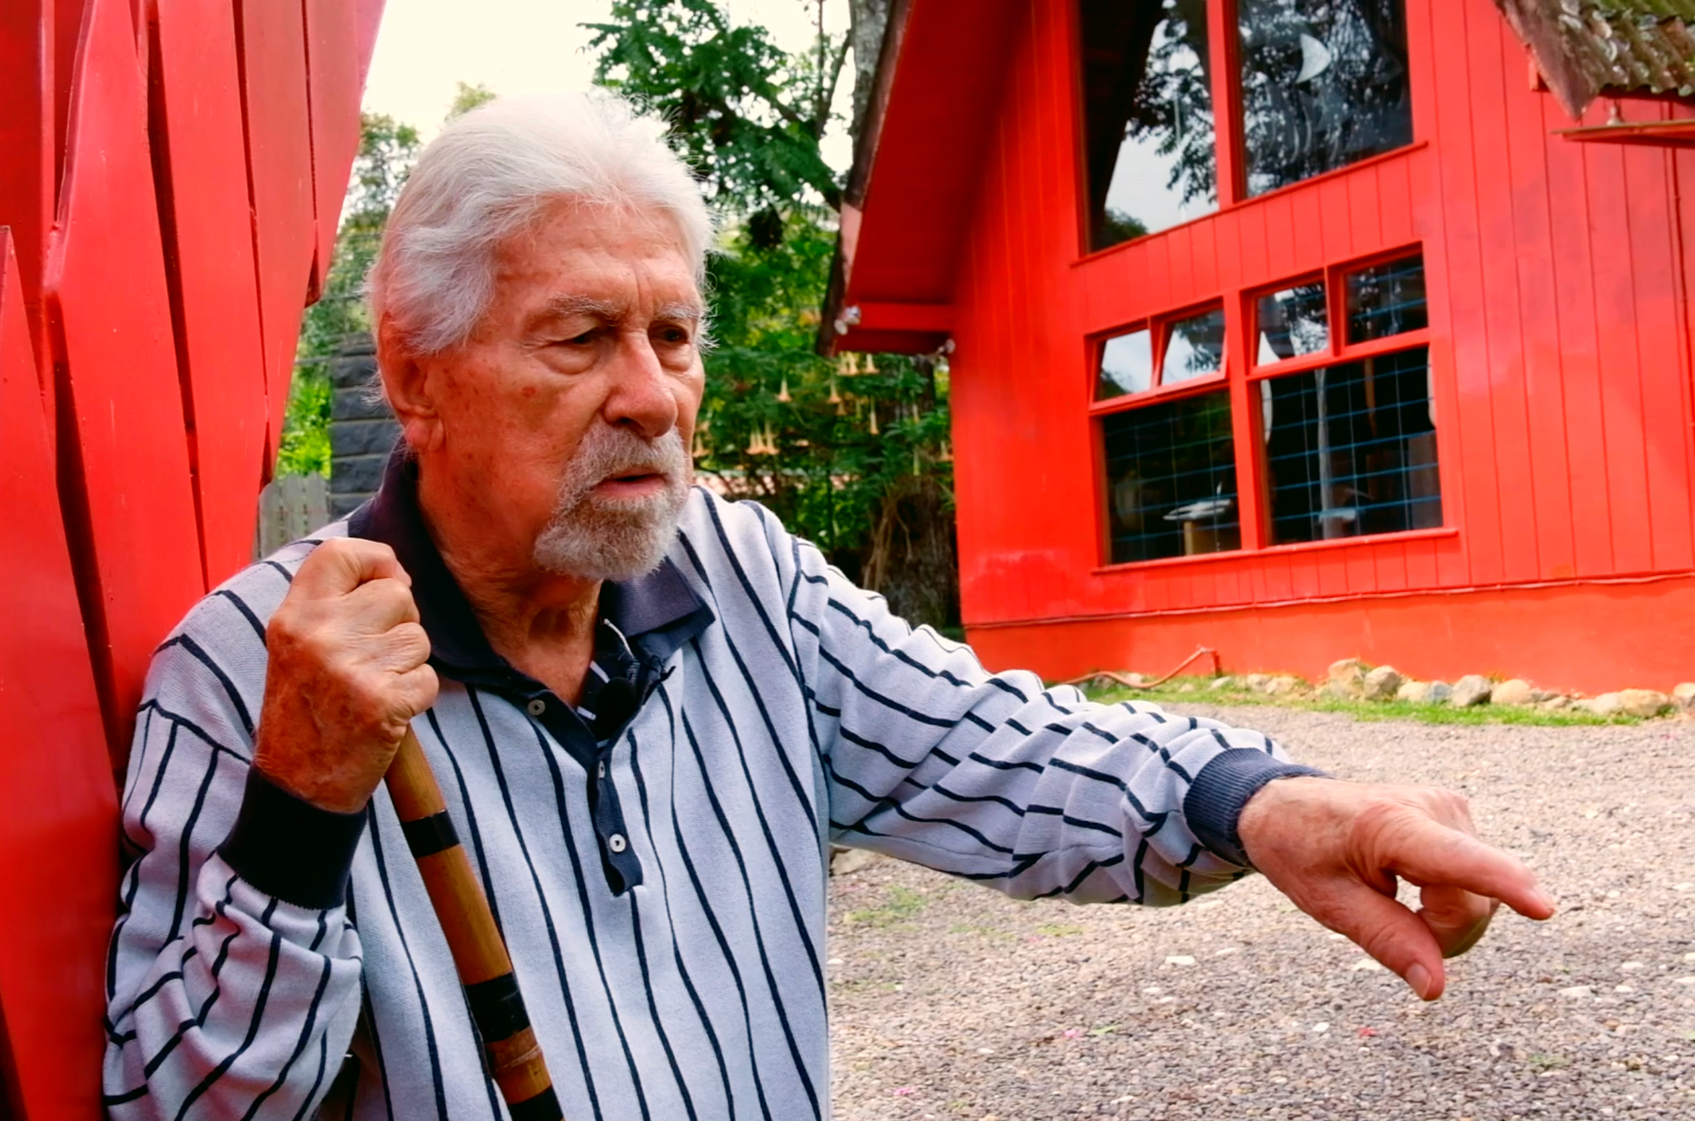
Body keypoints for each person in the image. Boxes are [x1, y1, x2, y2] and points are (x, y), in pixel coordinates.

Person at [102, 92, 1553, 1121]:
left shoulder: (743, 578)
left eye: (673, 333)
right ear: (417, 372)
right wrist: (297, 812)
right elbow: (176, 1106)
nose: (654, 396)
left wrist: (1262, 802)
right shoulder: (252, 674)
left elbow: (1004, 752)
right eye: (582, 338)